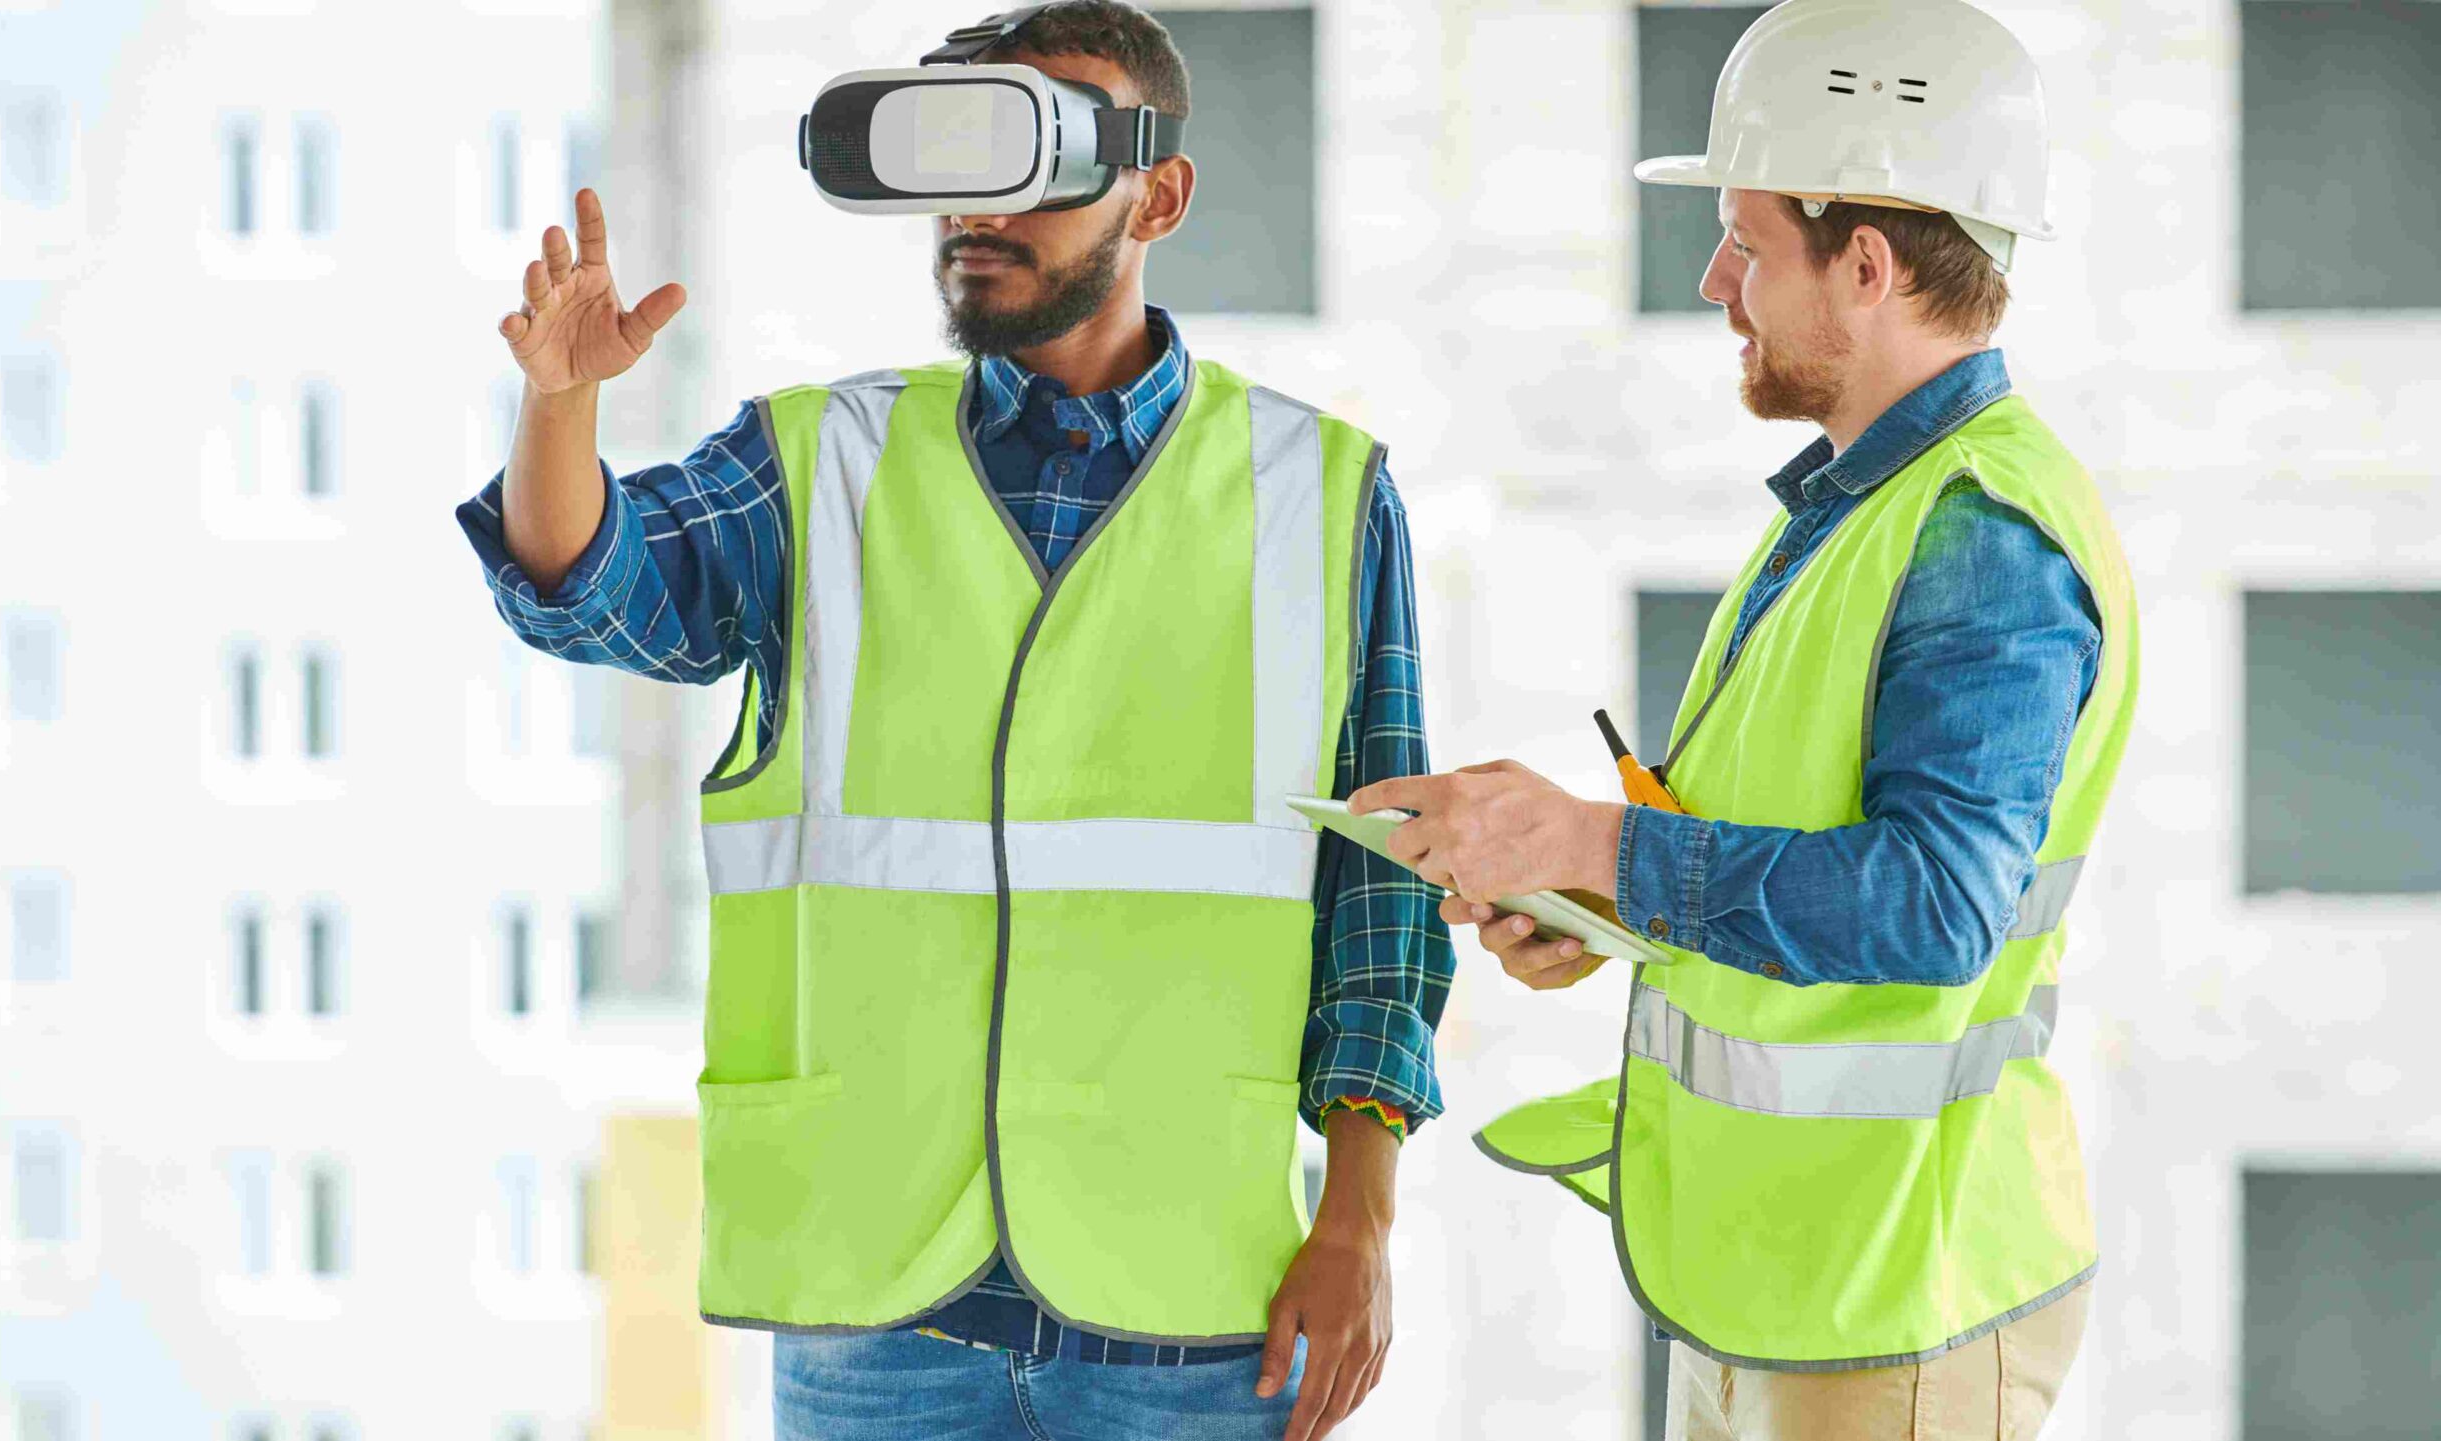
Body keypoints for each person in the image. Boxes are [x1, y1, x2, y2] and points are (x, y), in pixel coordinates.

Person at [453, 5, 1452, 1438]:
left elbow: (1385, 896)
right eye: (960, 165)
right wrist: (559, 410)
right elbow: (585, 587)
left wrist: (1361, 1219)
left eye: (1035, 162)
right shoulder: (818, 464)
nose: (982, 212)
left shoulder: (1325, 494)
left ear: (1159, 194)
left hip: (1187, 1306)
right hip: (880, 1320)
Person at [1348, 1, 2139, 1437]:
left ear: (1871, 265)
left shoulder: (1980, 539)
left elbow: (1931, 908)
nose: (1717, 280)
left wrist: (1596, 833)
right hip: (1789, 1279)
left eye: (1748, 241)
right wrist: (1595, 887)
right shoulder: (1858, 509)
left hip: (1897, 1288)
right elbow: (1800, 848)